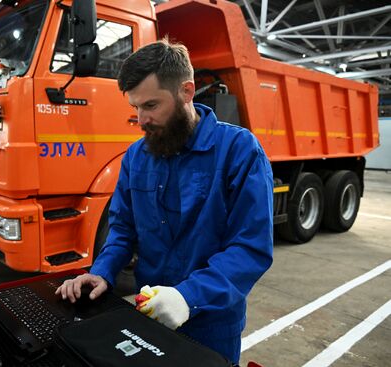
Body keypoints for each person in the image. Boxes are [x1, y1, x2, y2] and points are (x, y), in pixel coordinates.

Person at [56, 39, 274, 364]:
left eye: (151, 106)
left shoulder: (239, 152)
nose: (141, 120)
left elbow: (250, 248)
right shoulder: (136, 157)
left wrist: (189, 297)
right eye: (135, 108)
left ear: (186, 91)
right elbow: (123, 230)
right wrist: (102, 272)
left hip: (211, 324)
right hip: (150, 313)